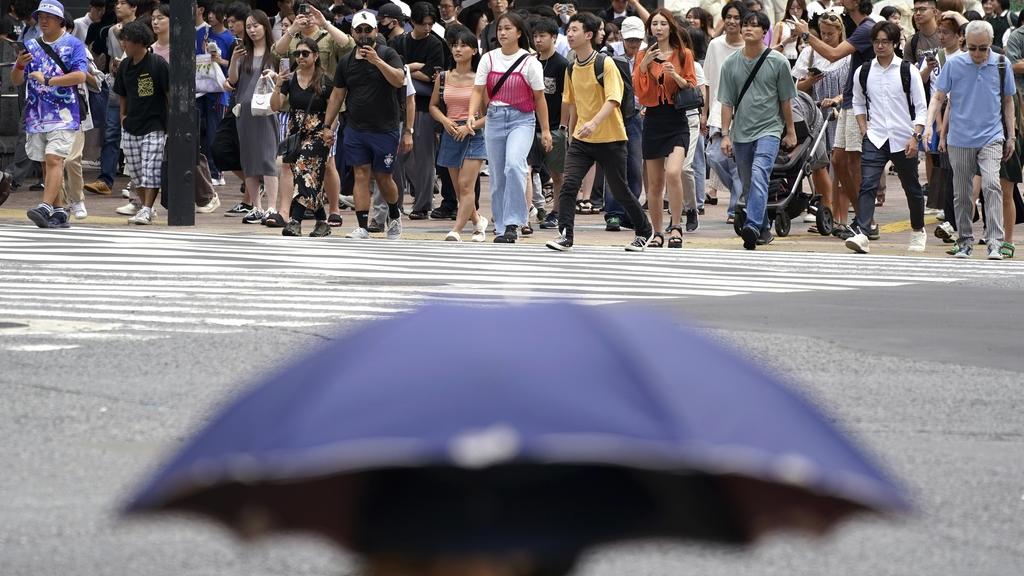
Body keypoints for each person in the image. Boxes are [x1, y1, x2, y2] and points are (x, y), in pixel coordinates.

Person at [545, 12, 654, 252]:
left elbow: (614, 99)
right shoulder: (571, 68)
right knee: (569, 184)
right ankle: (566, 235)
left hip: (611, 138)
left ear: (589, 35)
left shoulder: (605, 63)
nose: (569, 34)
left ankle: (645, 230)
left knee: (620, 190)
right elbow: (572, 104)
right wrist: (570, 133)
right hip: (582, 141)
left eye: (575, 30)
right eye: (569, 30)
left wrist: (594, 123)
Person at [926, 20, 1015, 259]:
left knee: (992, 185)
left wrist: (1011, 136)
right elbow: (939, 97)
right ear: (965, 42)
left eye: (983, 48)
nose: (978, 53)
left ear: (991, 44)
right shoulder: (954, 64)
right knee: (962, 191)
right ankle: (964, 240)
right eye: (973, 47)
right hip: (960, 138)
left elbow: (1008, 102)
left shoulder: (1001, 64)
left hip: (992, 135)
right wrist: (929, 127)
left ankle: (994, 242)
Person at [322, 10, 408, 240]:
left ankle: (393, 213)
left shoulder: (389, 54)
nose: (363, 35)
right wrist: (327, 126)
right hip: (356, 127)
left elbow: (400, 80)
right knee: (361, 174)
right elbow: (337, 96)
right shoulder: (346, 62)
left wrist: (377, 61)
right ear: (352, 33)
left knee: (383, 177)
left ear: (376, 31)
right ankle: (362, 226)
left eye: (367, 30)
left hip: (385, 128)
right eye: (359, 30)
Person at [795, 0, 876, 240]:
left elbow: (832, 55)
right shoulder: (854, 23)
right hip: (850, 103)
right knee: (838, 161)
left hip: (857, 104)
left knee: (853, 163)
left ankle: (866, 221)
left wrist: (807, 36)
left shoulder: (865, 28)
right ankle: (861, 218)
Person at [845, 21, 928, 254]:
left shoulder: (907, 70)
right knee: (868, 185)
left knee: (911, 187)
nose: (880, 46)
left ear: (894, 44)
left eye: (885, 42)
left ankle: (917, 229)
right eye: (876, 42)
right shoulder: (864, 71)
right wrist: (864, 129)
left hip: (904, 137)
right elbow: (858, 102)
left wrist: (916, 136)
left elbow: (921, 107)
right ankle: (862, 232)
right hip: (876, 137)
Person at [468, 10, 550, 243]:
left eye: (507, 29)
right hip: (494, 118)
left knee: (514, 165)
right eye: (500, 29)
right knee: (497, 175)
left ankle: (515, 221)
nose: (502, 33)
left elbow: (540, 98)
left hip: (522, 119)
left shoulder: (529, 62)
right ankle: (502, 226)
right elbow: (477, 90)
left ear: (519, 32)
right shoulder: (489, 58)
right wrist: (472, 114)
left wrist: (545, 130)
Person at [718, 10, 798, 250]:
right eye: (746, 25)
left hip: (770, 129)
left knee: (760, 173)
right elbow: (726, 102)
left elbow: (786, 100)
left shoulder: (778, 61)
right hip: (741, 131)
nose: (748, 29)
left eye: (754, 25)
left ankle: (752, 225)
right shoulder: (731, 63)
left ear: (765, 32)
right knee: (748, 182)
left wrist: (791, 131)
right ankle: (762, 229)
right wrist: (724, 134)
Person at [273, 1, 353, 227]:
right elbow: (276, 52)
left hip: (325, 112)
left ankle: (332, 210)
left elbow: (348, 46)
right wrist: (291, 30)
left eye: (309, 13)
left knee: (327, 164)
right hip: (295, 111)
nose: (305, 18)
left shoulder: (328, 35)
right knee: (291, 163)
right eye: (301, 14)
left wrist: (325, 23)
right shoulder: (294, 39)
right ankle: (286, 211)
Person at [12, 0, 88, 229]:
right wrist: (18, 66)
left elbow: (80, 76)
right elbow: (16, 81)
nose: (43, 21)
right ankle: (58, 212)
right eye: (40, 16)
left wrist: (48, 80)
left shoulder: (74, 44)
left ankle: (44, 206)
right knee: (47, 162)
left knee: (55, 158)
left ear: (60, 20)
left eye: (49, 17)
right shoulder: (31, 44)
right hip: (36, 113)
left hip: (64, 113)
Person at [634, 8, 697, 248]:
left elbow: (691, 85)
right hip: (653, 119)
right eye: (654, 24)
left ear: (670, 27)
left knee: (674, 172)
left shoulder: (683, 54)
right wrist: (644, 67)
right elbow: (640, 92)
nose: (658, 28)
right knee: (655, 183)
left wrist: (676, 76)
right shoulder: (643, 55)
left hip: (676, 118)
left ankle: (676, 226)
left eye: (662, 24)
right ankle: (657, 232)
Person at [270, 36, 335, 237]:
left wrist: (329, 130)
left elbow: (334, 108)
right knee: (306, 176)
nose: (300, 57)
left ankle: (295, 221)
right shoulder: (290, 79)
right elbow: (275, 106)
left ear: (315, 56)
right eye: (297, 54)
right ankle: (322, 222)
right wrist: (278, 86)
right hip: (296, 133)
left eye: (305, 53)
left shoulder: (325, 81)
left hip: (319, 133)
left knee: (303, 170)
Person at [430, 24, 489, 242]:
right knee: (458, 189)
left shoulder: (480, 79)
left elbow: (490, 113)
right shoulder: (444, 77)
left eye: (464, 46)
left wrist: (469, 127)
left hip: (473, 133)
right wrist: (445, 121)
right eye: (455, 45)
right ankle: (478, 221)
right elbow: (433, 106)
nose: (458, 49)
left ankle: (456, 229)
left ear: (474, 50)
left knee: (466, 185)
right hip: (450, 131)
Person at [792, 9, 848, 232]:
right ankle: (826, 211)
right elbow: (795, 87)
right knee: (818, 162)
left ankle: (839, 215)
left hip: (840, 112)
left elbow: (853, 88)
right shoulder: (809, 53)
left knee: (840, 162)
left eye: (830, 34)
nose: (825, 37)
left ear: (839, 32)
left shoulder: (848, 54)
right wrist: (811, 80)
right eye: (822, 33)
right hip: (814, 113)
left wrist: (837, 99)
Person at [391, 1, 445, 220]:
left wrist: (407, 69)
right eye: (424, 24)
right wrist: (416, 68)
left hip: (423, 105)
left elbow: (434, 76)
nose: (428, 28)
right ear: (412, 23)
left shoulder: (435, 44)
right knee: (395, 160)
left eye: (431, 24)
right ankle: (394, 204)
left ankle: (422, 205)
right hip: (398, 106)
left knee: (424, 159)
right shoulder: (398, 42)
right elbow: (394, 70)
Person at [111, 20, 169, 225]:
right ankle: (147, 207)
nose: (123, 44)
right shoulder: (125, 65)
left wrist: (169, 124)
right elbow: (123, 95)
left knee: (150, 168)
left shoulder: (158, 64)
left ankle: (145, 208)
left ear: (137, 42)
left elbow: (169, 93)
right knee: (136, 172)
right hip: (131, 126)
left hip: (154, 125)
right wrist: (123, 118)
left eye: (126, 40)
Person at [228, 9, 281, 225]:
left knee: (267, 158)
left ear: (265, 27)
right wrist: (233, 59)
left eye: (255, 26)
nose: (251, 30)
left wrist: (275, 76)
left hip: (267, 110)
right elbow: (232, 80)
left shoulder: (275, 52)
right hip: (245, 112)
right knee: (249, 159)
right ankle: (256, 207)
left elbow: (284, 78)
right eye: (248, 26)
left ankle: (271, 207)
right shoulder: (243, 52)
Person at [83, 0, 138, 201]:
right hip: (115, 85)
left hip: (137, 87)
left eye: (124, 3)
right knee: (111, 133)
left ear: (134, 8)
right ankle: (105, 179)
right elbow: (104, 58)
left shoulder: (142, 29)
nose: (118, 6)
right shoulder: (109, 31)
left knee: (136, 135)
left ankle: (136, 181)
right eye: (117, 2)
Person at [704, 1, 748, 222]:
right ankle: (741, 194)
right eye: (728, 17)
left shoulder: (748, 47)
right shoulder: (715, 45)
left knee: (738, 161)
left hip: (743, 112)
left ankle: (735, 209)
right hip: (717, 110)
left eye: (736, 17)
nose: (731, 21)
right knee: (715, 156)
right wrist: (704, 113)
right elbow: (708, 81)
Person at [530, 17, 567, 230]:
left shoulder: (562, 64)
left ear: (554, 37)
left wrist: (563, 127)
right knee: (527, 170)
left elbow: (566, 98)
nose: (538, 40)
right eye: (535, 36)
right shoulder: (531, 61)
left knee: (557, 173)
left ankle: (558, 212)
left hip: (554, 126)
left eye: (542, 36)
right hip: (529, 124)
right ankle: (528, 209)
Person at [772, 0, 807, 66]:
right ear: (788, 9)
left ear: (803, 9)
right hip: (782, 61)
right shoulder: (780, 25)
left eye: (799, 8)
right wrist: (786, 41)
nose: (795, 11)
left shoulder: (805, 26)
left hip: (799, 63)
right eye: (792, 8)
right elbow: (771, 50)